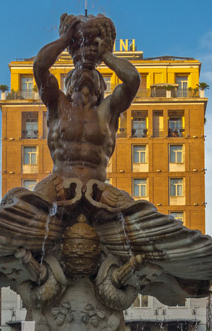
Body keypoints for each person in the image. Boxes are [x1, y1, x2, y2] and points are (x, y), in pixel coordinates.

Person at [29, 13, 139, 203]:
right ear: (68, 85)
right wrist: (64, 40)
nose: (85, 74)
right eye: (78, 74)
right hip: (57, 186)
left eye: (92, 74)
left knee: (142, 215)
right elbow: (39, 66)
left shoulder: (108, 110)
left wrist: (105, 55)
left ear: (101, 87)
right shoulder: (57, 103)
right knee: (21, 207)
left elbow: (133, 79)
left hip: (99, 190)